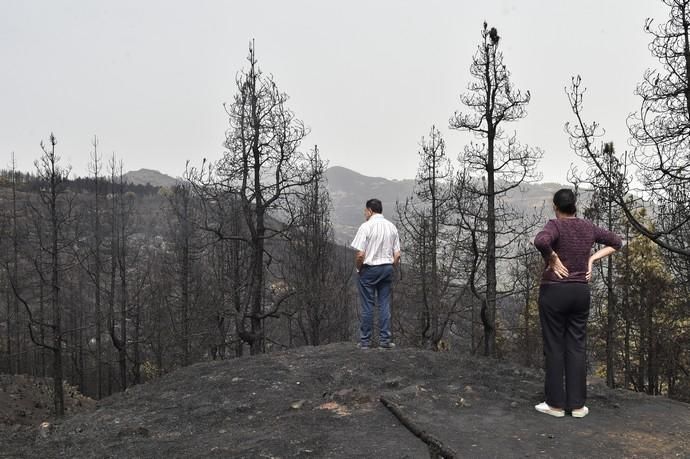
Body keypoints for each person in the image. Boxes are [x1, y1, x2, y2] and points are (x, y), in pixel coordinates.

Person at [533, 189, 622, 418]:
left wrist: (552, 258)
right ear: (575, 206)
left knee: (554, 346)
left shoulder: (555, 225)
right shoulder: (587, 227)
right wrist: (591, 259)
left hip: (555, 291)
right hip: (580, 292)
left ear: (556, 207)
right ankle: (578, 406)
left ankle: (555, 405)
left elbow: (541, 241)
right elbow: (616, 242)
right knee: (577, 346)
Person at [351, 198, 401, 350]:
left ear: (370, 210)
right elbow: (397, 255)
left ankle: (365, 342)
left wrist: (359, 269)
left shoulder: (366, 227)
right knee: (384, 304)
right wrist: (391, 266)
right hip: (387, 268)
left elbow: (360, 255)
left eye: (365, 211)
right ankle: (384, 341)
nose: (364, 214)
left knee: (368, 306)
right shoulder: (392, 227)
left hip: (370, 269)